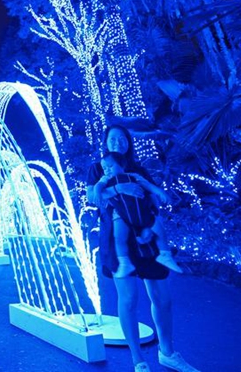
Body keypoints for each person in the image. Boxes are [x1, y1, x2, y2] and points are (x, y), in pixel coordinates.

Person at [86, 125, 199, 372]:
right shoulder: (98, 168)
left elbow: (151, 199)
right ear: (106, 142)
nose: (118, 142)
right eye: (113, 139)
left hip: (145, 239)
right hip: (117, 242)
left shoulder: (138, 170)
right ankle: (138, 361)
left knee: (163, 299)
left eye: (123, 138)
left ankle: (167, 353)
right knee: (128, 300)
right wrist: (119, 188)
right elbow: (92, 198)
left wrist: (151, 222)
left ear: (128, 142)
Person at [95, 152, 182, 278]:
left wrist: (160, 192)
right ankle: (124, 263)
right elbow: (99, 186)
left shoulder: (134, 176)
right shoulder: (106, 179)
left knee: (159, 229)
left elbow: (148, 185)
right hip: (121, 215)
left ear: (121, 165)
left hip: (142, 212)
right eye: (104, 168)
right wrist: (98, 193)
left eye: (110, 166)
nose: (107, 170)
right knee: (119, 237)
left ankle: (165, 255)